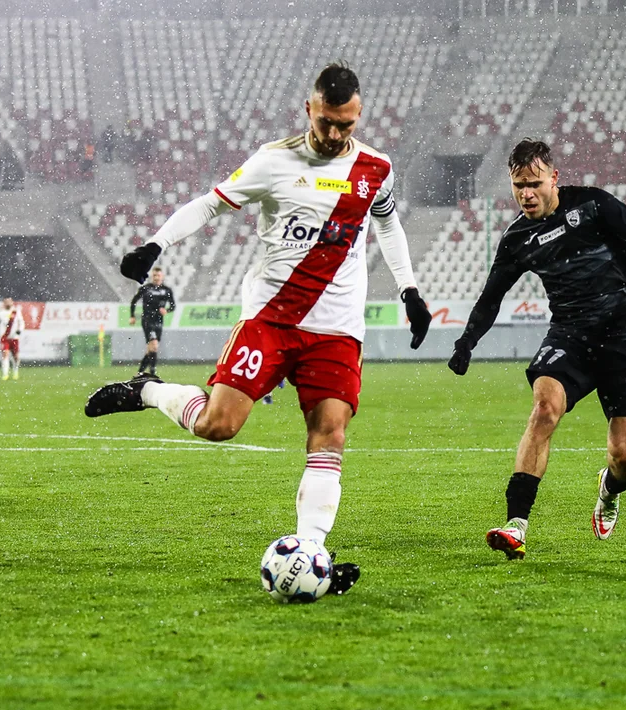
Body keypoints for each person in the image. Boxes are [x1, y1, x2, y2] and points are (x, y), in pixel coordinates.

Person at [84, 63, 433, 594]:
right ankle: (150, 390)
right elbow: (209, 204)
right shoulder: (274, 162)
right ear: (309, 110)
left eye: (347, 124)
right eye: (328, 123)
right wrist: (157, 243)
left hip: (337, 328)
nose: (337, 135)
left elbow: (387, 222)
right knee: (219, 426)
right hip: (270, 318)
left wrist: (409, 289)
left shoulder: (376, 168)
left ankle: (311, 553)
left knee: (330, 432)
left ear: (357, 115)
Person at [447, 138, 626, 560]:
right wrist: (467, 341)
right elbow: (491, 297)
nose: (525, 194)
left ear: (554, 178)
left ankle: (609, 489)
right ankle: (516, 524)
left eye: (533, 183)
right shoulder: (518, 239)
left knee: (625, 455)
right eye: (517, 186)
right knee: (545, 408)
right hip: (572, 334)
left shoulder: (593, 206)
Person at [129, 267, 176, 377]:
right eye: (154, 275)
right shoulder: (146, 288)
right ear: (152, 276)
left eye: (158, 275)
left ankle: (140, 372)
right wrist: (132, 316)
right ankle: (152, 372)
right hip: (147, 320)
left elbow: (173, 305)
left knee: (151, 349)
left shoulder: (167, 290)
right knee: (154, 346)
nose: (156, 278)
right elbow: (134, 301)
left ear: (162, 276)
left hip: (159, 321)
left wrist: (167, 310)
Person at [0, 297, 24, 381]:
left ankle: (15, 371)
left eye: (9, 301)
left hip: (14, 337)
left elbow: (21, 322)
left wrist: (19, 330)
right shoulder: (0, 313)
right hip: (5, 338)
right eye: (6, 302)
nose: (7, 303)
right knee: (5, 355)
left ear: (12, 302)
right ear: (4, 303)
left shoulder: (16, 312)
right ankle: (5, 374)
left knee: (16, 357)